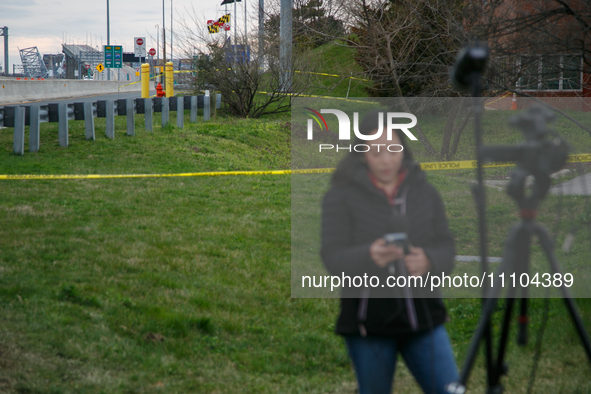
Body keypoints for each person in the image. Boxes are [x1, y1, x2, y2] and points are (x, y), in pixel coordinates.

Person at [320, 110, 459, 394]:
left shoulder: (424, 191)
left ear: (402, 149)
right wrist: (369, 255)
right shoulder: (341, 196)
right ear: (362, 155)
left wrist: (430, 260)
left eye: (392, 149)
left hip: (425, 320)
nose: (386, 159)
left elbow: (446, 245)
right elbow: (332, 256)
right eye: (376, 152)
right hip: (368, 325)